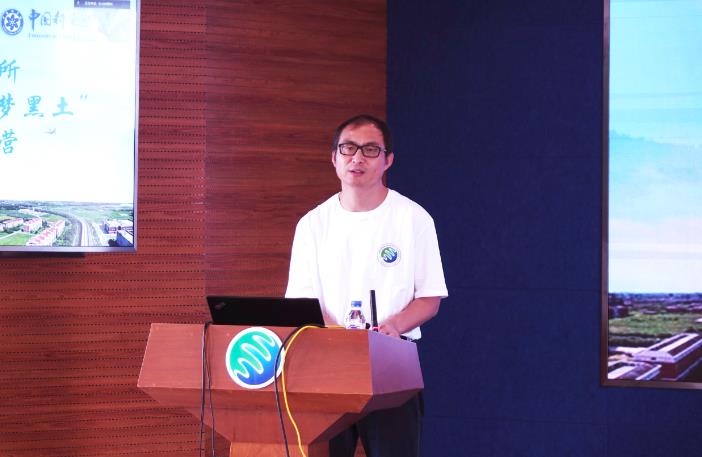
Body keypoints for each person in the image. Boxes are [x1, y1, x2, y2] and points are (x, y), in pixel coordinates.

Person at [285, 114, 448, 457]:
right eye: (348, 148)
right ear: (334, 158)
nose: (357, 158)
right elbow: (300, 303)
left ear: (388, 160)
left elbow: (430, 298)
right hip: (327, 363)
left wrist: (392, 327)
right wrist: (338, 336)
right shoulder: (313, 224)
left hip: (391, 363)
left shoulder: (413, 218)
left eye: (370, 150)